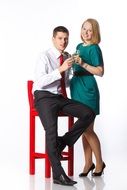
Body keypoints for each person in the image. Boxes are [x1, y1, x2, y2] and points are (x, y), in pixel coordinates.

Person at [33, 26, 95, 186]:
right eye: (60, 38)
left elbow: (65, 83)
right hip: (43, 96)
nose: (63, 41)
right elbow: (40, 82)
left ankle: (63, 142)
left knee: (88, 113)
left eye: (66, 38)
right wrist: (60, 69)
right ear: (53, 39)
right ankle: (58, 174)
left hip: (59, 97)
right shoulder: (44, 56)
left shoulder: (66, 56)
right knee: (51, 130)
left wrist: (72, 69)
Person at [70, 18, 106, 177]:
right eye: (84, 28)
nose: (86, 32)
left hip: (88, 89)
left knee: (87, 129)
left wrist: (82, 63)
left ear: (95, 32)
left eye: (90, 30)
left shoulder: (94, 48)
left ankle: (99, 163)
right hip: (76, 88)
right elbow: (76, 64)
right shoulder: (78, 46)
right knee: (85, 130)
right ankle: (87, 162)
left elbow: (100, 71)